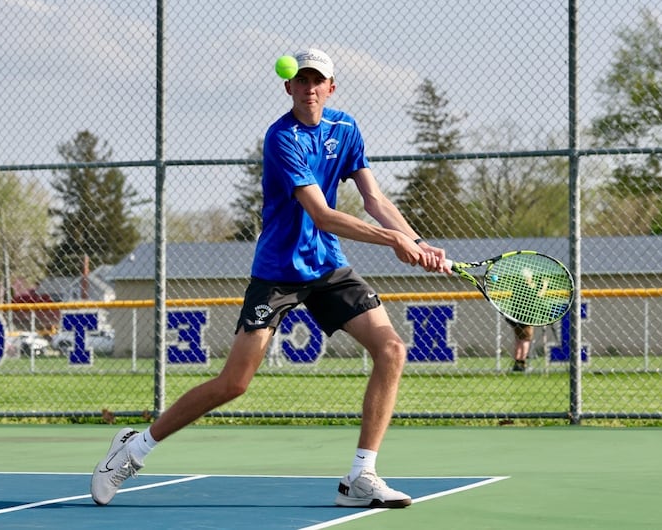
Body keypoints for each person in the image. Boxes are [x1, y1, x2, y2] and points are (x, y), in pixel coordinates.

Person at [90, 48, 448, 509]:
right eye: (301, 80)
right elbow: (321, 214)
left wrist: (413, 239)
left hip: (328, 268)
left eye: (318, 80)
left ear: (332, 87)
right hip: (278, 272)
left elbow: (374, 198)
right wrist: (393, 243)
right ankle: (135, 447)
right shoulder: (282, 138)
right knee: (233, 384)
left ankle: (361, 476)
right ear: (288, 87)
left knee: (391, 349)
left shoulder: (347, 128)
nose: (309, 87)